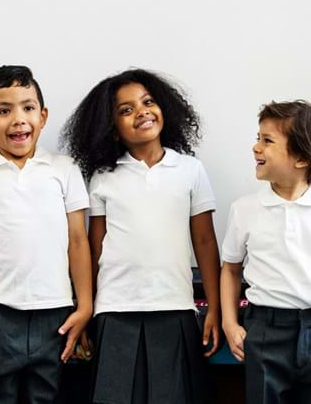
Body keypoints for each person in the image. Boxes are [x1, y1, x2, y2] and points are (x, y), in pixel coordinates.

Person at [61, 68, 220, 404]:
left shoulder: (190, 170)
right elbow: (94, 247)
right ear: (112, 128)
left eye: (147, 102)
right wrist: (85, 307)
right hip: (115, 310)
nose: (142, 112)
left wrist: (216, 309)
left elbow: (205, 243)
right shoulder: (103, 177)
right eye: (126, 109)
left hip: (174, 307)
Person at [0, 65, 92, 403]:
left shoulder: (64, 170)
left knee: (47, 393)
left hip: (56, 311)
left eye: (28, 107)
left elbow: (78, 241)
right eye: (4, 111)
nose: (19, 119)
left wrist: (85, 304)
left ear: (43, 116)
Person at [221, 100, 311, 404]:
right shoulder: (245, 209)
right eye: (258, 138)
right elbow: (230, 268)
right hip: (265, 330)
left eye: (267, 140)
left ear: (300, 157)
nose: (256, 148)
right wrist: (230, 323)